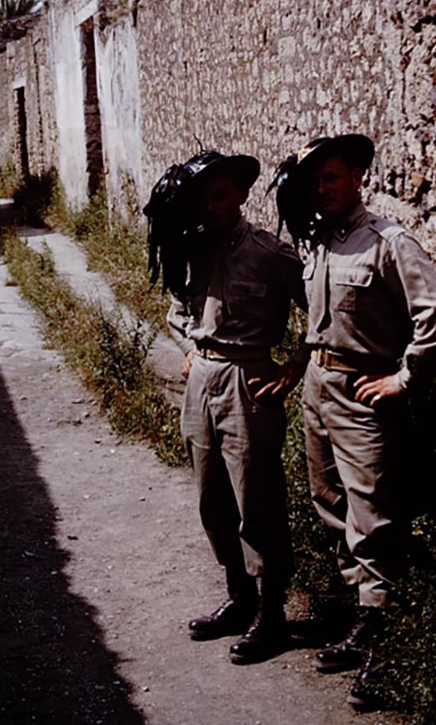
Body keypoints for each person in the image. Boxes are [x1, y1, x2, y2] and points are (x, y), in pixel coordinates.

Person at [267, 133, 436, 709]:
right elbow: (319, 321)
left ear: (356, 177)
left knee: (372, 516)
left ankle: (389, 643)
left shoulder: (386, 241)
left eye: (330, 178)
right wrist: (299, 364)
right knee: (330, 506)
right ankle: (362, 619)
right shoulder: (321, 243)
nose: (320, 190)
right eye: (313, 182)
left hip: (362, 392)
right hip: (318, 390)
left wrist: (404, 377)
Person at [143, 150, 307, 664]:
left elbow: (319, 312)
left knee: (255, 500)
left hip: (247, 381)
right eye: (203, 197)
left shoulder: (270, 253)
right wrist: (190, 349)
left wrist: (292, 369)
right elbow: (177, 309)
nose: (211, 206)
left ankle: (272, 613)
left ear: (238, 194)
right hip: (202, 381)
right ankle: (239, 597)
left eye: (219, 194)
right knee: (212, 500)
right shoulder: (192, 249)